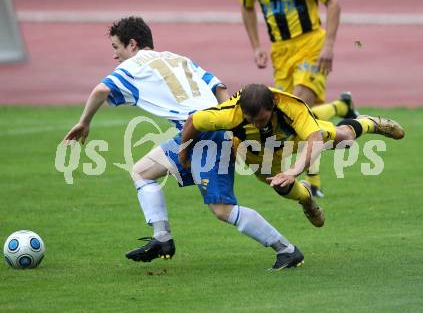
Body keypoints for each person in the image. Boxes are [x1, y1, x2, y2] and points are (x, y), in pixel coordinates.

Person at [63, 16, 305, 271]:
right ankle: (162, 239)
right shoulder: (177, 58)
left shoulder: (133, 65)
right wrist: (228, 124)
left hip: (205, 134)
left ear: (132, 44)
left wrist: (84, 122)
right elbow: (218, 87)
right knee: (142, 172)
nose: (115, 55)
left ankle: (287, 250)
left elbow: (100, 90)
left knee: (222, 209)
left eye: (116, 47)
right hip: (202, 129)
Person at [179, 84, 404, 229]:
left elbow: (314, 141)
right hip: (256, 153)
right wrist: (183, 153)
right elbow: (193, 121)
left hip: (296, 138)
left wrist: (293, 170)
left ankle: (372, 123)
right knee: (279, 186)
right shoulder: (230, 113)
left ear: (273, 106)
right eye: (251, 119)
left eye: (262, 119)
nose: (257, 123)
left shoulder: (291, 107)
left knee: (344, 139)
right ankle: (307, 199)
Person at [236, 0, 353, 197]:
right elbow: (247, 8)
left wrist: (328, 45)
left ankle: (313, 183)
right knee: (287, 119)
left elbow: (333, 3)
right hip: (280, 53)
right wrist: (256, 47)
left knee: (298, 109)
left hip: (311, 44)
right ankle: (341, 107)